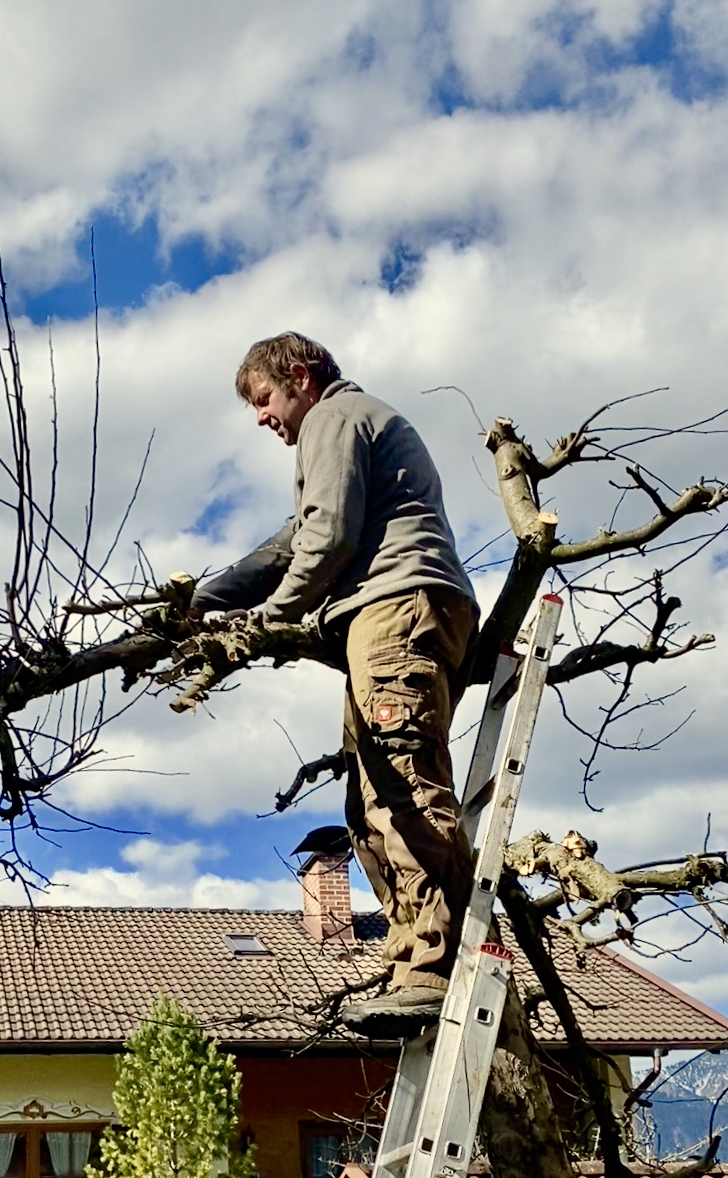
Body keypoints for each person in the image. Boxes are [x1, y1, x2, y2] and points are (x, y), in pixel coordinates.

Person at [191, 333, 479, 1036]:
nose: (263, 418)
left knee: (403, 787)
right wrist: (204, 598)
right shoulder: (346, 429)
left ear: (300, 376)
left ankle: (436, 966)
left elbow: (328, 536)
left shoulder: (335, 417)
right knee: (368, 802)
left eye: (265, 399)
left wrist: (268, 618)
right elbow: (296, 539)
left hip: (395, 608)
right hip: (398, 612)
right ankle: (411, 958)